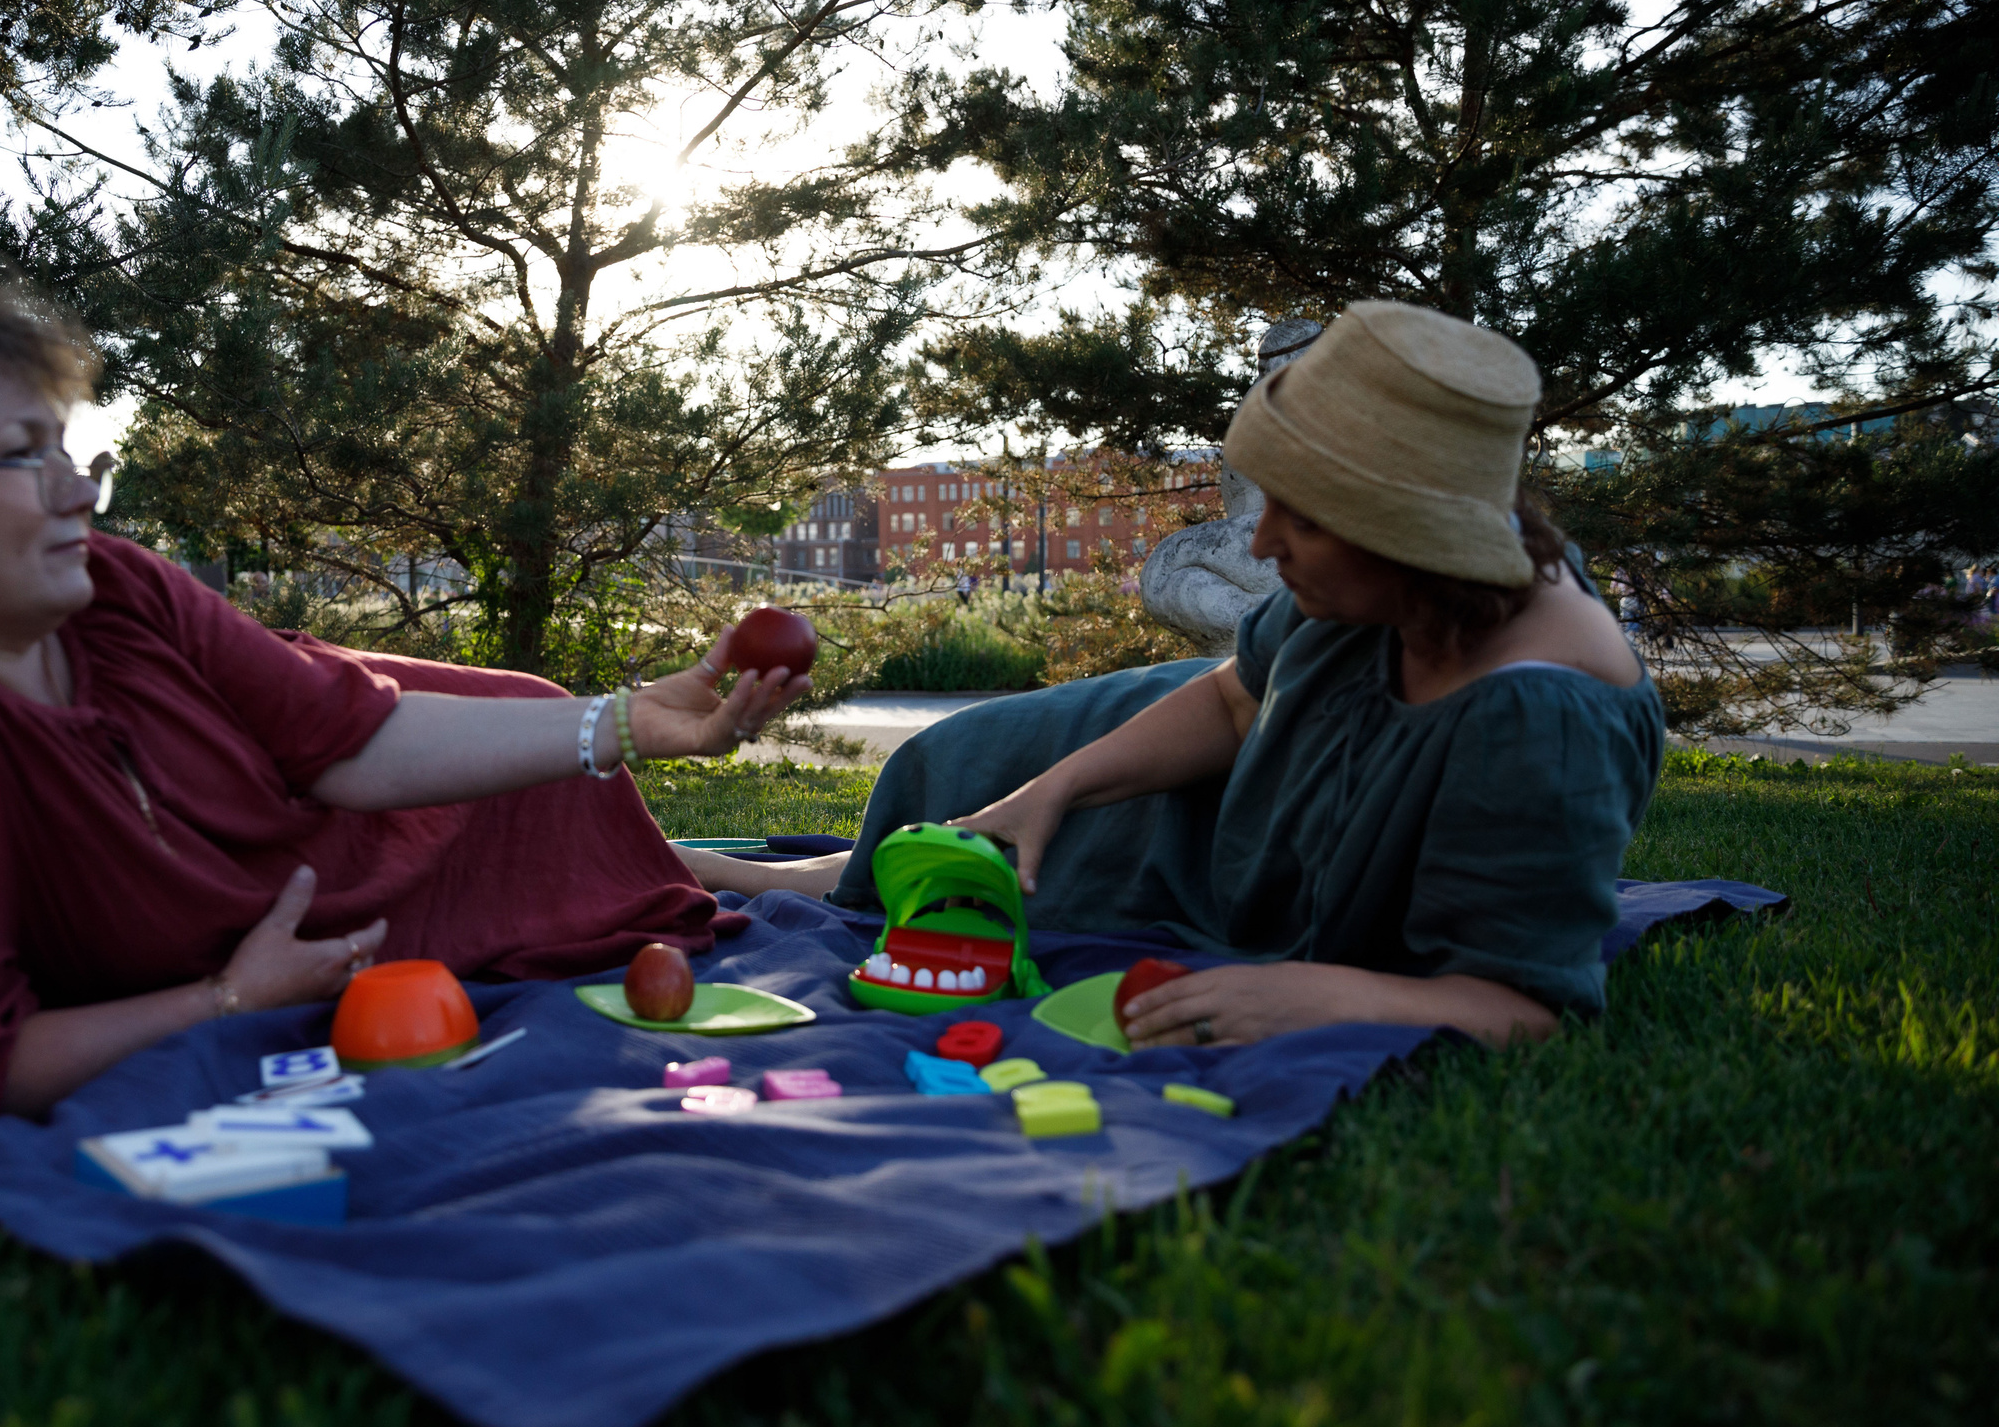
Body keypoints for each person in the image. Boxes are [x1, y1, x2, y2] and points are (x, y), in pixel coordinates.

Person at [0, 278, 804, 1117]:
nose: (76, 491)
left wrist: (628, 721)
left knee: (541, 727)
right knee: (540, 808)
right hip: (308, 907)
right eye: (25, 457)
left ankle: (743, 869)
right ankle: (739, 870)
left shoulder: (109, 585)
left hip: (324, 814)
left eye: (68, 448)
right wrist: (229, 1003)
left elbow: (348, 738)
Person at [683, 302, 1663, 1050]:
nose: (1262, 545)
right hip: (1229, 752)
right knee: (959, 768)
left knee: (1020, 880)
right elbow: (1236, 697)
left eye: (1302, 520)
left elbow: (1523, 1005)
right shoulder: (1386, 585)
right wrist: (1055, 786)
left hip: (1260, 852)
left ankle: (798, 880)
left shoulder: (1543, 717)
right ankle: (807, 874)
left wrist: (1323, 994)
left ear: (1410, 541)